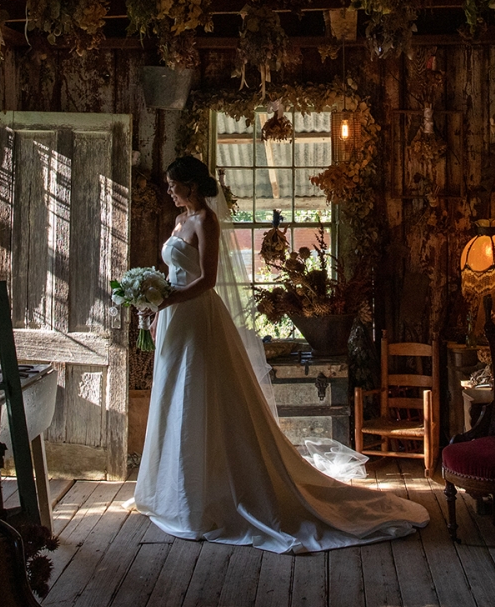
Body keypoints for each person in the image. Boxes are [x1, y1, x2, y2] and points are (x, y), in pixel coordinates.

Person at [131, 155, 428, 553]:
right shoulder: (179, 221)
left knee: (197, 396)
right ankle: (176, 493)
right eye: (167, 186)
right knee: (172, 398)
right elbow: (173, 273)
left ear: (191, 185)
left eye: (173, 185)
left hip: (197, 315)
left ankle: (209, 497)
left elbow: (206, 280)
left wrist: (166, 300)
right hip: (173, 319)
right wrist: (154, 306)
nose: (169, 191)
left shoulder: (205, 221)